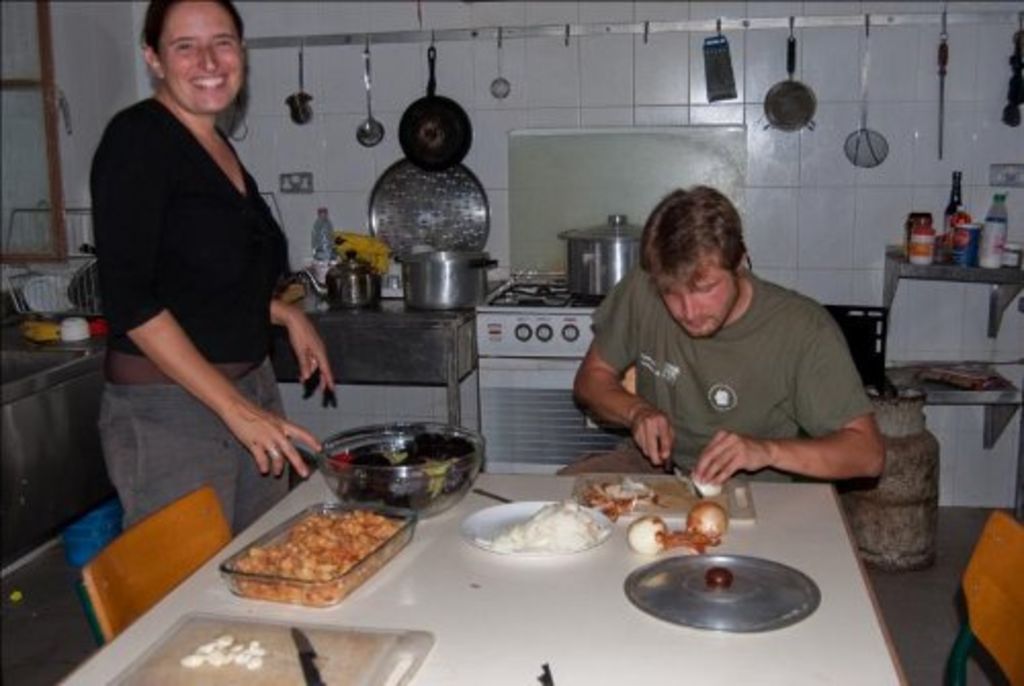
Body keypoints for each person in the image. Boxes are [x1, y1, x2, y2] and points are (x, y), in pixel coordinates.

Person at [91, 0, 335, 532]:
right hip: (171, 412)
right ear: (153, 58)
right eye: (185, 46)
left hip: (248, 390)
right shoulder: (137, 140)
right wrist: (235, 409)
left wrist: (285, 315)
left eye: (222, 42)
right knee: (184, 597)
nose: (208, 60)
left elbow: (197, 278)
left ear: (241, 53)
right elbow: (131, 299)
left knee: (261, 567)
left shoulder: (211, 142)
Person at [572, 186, 884, 485]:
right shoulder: (643, 288)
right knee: (563, 510)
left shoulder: (802, 329)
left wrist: (764, 451)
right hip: (656, 471)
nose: (688, 311)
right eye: (671, 292)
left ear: (740, 262)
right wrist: (636, 412)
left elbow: (868, 454)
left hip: (757, 489)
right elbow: (591, 379)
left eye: (704, 289)